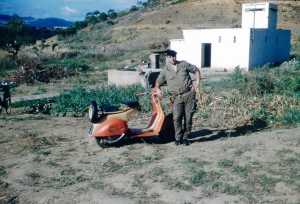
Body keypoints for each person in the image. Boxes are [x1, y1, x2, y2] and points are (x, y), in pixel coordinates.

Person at [155, 49, 201, 146]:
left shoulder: (183, 64)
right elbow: (158, 82)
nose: (173, 58)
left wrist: (197, 83)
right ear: (167, 58)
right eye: (171, 57)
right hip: (177, 97)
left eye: (175, 56)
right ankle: (178, 138)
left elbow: (196, 70)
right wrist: (158, 89)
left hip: (189, 94)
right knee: (177, 118)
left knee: (188, 117)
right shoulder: (165, 70)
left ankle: (186, 137)